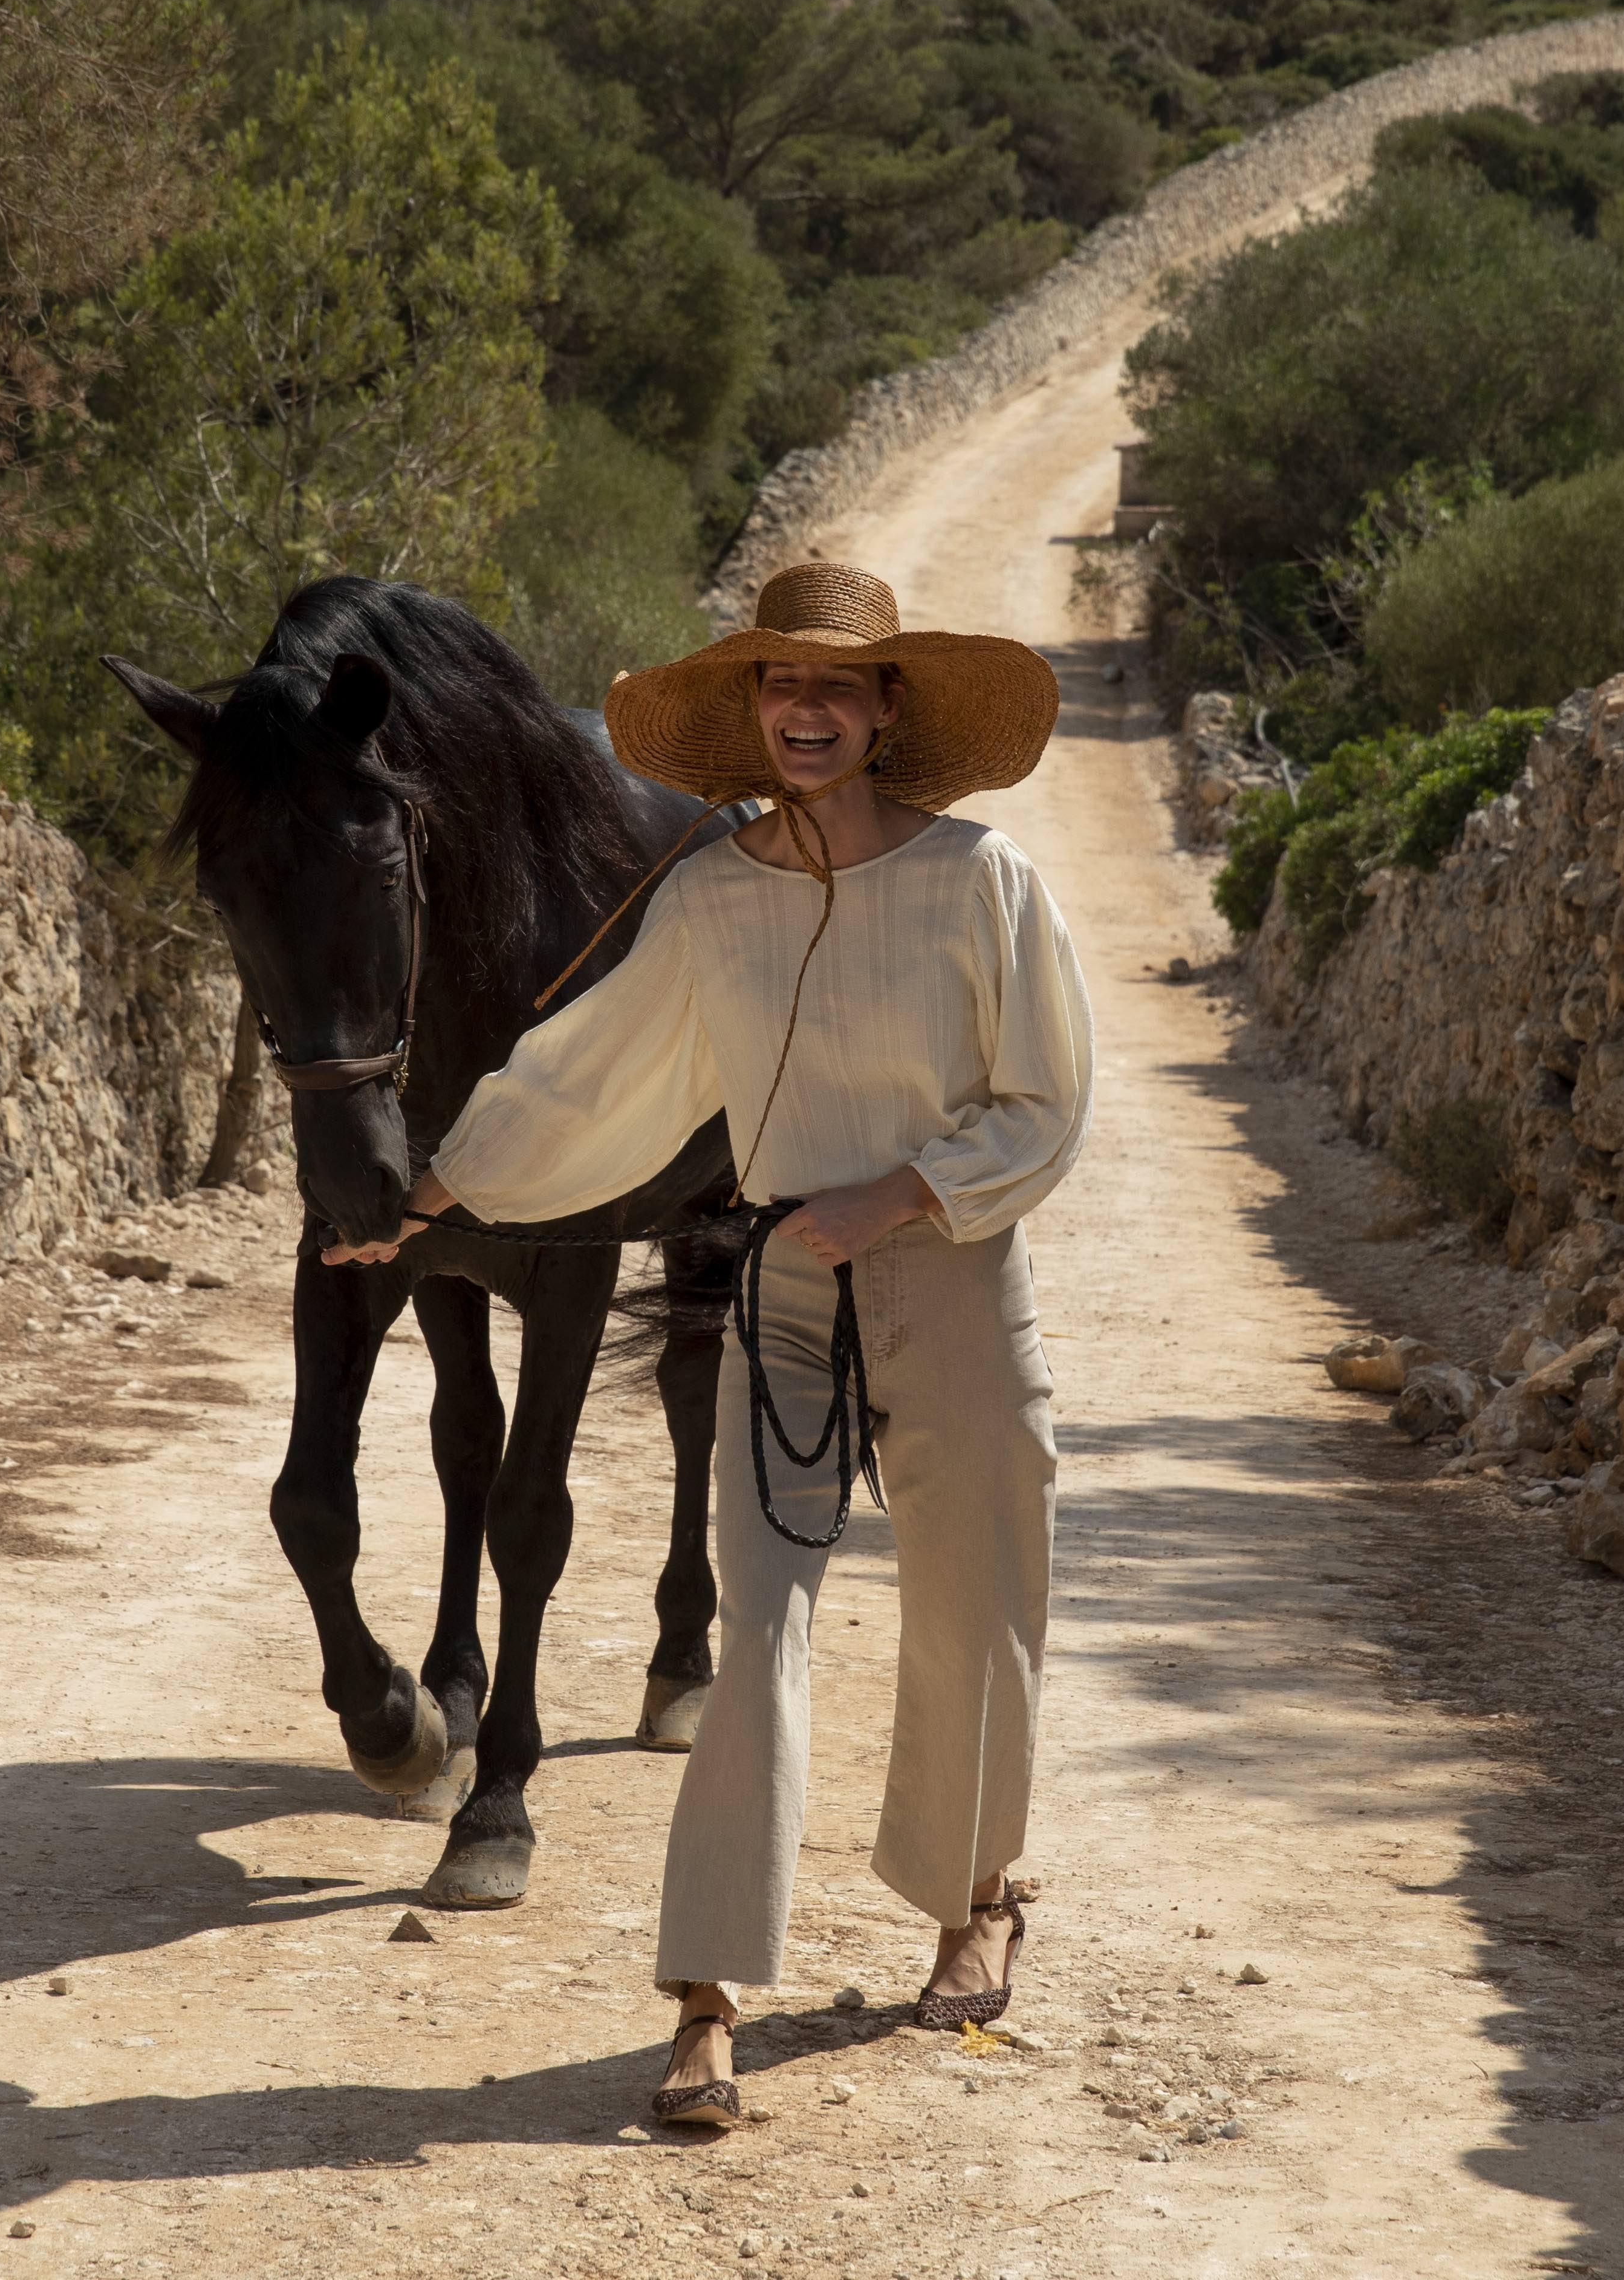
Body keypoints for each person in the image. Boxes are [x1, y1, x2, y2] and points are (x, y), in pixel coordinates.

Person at [322, 561, 1094, 2132]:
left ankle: (978, 1897)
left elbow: (1049, 1103)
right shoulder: (709, 891)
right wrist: (428, 1195)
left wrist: (894, 1193)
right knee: (757, 1640)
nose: (805, 711)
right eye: (777, 685)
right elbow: (588, 1073)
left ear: (889, 711)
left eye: (836, 687)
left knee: (979, 1604)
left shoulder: (984, 881)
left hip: (949, 1277)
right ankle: (707, 2001)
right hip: (785, 1293)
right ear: (752, 712)